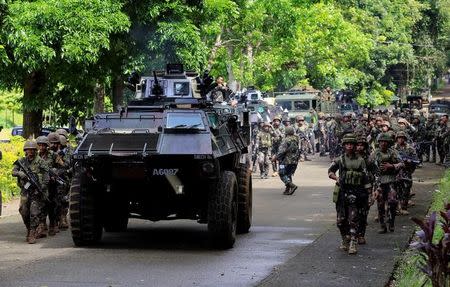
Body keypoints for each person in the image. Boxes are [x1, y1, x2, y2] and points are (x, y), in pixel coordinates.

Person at [328, 134, 370, 255]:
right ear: (344, 146)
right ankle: (344, 239)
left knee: (353, 219)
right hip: (342, 193)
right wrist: (336, 178)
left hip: (356, 193)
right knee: (340, 221)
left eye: (352, 144)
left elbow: (365, 178)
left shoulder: (361, 160)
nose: (350, 146)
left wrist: (370, 194)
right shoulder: (340, 160)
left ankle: (353, 242)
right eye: (347, 144)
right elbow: (330, 171)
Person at [12, 140, 49, 244]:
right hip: (25, 190)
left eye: (33, 150)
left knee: (34, 212)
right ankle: (28, 228)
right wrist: (20, 173)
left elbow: (46, 176)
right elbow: (13, 172)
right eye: (29, 150)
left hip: (36, 192)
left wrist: (42, 188)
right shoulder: (21, 161)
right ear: (25, 150)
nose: (31, 152)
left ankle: (32, 232)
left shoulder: (40, 162)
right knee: (23, 211)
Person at [371, 133, 404, 233]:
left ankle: (391, 222)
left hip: (391, 181)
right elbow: (369, 167)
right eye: (381, 141)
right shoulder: (374, 154)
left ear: (388, 143)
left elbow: (402, 163)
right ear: (379, 142)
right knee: (380, 204)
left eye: (385, 141)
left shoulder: (393, 152)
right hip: (379, 182)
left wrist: (392, 166)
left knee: (392, 202)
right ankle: (382, 226)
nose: (383, 143)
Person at [394, 131, 418, 215]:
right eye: (399, 138)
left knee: (406, 189)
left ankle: (404, 207)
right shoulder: (393, 148)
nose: (400, 139)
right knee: (396, 190)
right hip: (396, 172)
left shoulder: (410, 148)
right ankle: (397, 207)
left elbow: (416, 160)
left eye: (402, 138)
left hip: (407, 171)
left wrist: (409, 162)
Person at [273, 126, 299, 195]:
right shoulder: (296, 139)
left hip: (285, 161)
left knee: (281, 173)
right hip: (294, 161)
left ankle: (292, 186)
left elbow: (281, 151)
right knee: (288, 174)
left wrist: (275, 158)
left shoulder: (286, 140)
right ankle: (287, 189)